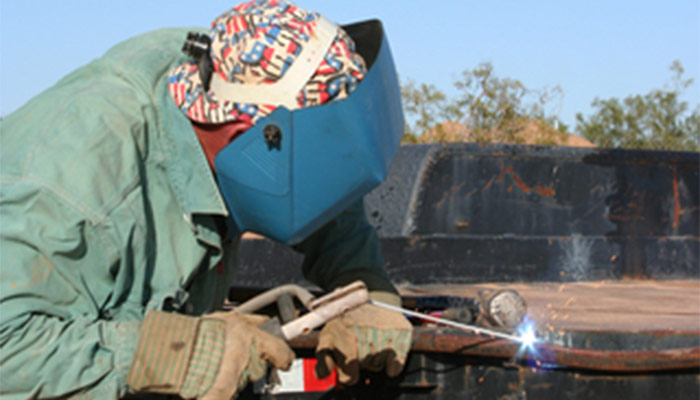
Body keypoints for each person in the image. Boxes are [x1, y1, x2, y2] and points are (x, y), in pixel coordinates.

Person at [0, 1, 412, 399]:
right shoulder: (75, 188)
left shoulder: (230, 74)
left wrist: (364, 286)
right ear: (244, 140)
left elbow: (317, 178)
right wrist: (168, 354)